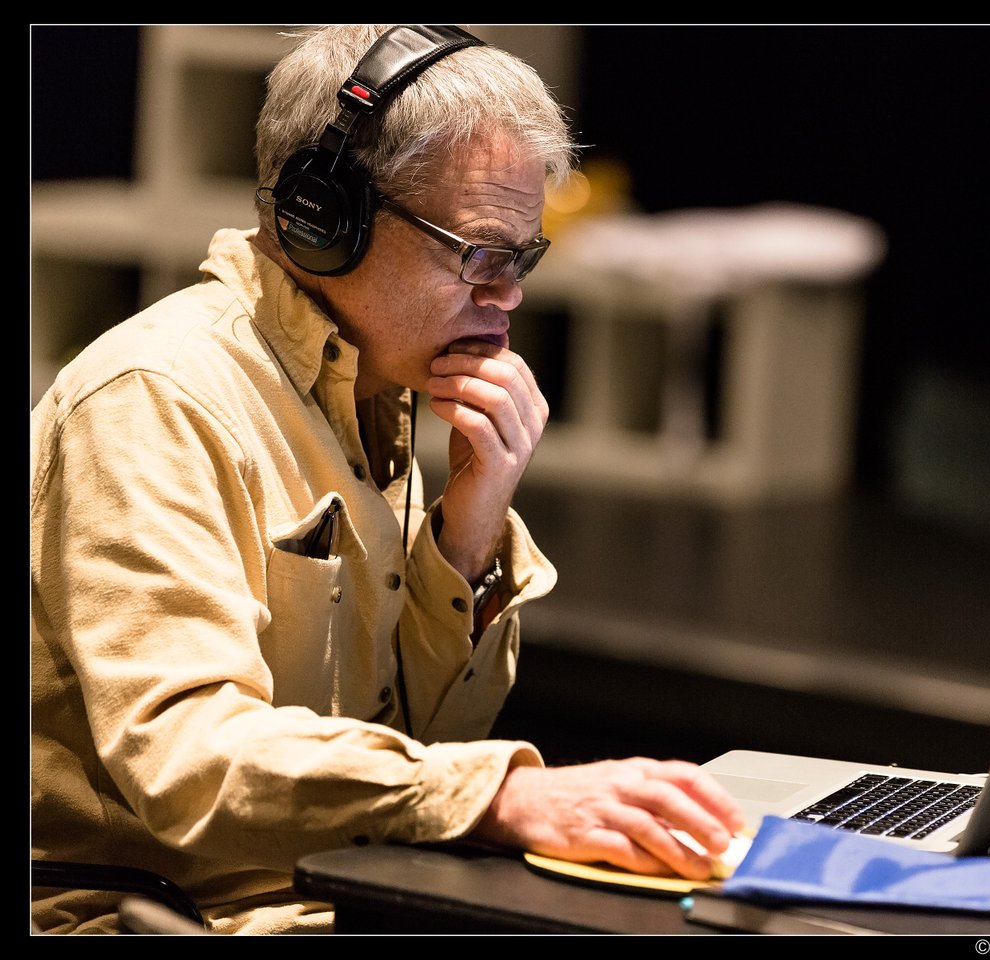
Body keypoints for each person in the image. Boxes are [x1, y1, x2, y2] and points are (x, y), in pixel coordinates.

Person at [30, 24, 742, 935]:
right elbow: (189, 758)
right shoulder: (154, 399)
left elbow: (429, 750)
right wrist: (505, 799)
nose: (508, 296)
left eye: (523, 259)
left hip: (343, 897)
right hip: (165, 917)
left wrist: (469, 530)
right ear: (323, 217)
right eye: (479, 253)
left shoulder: (385, 386)